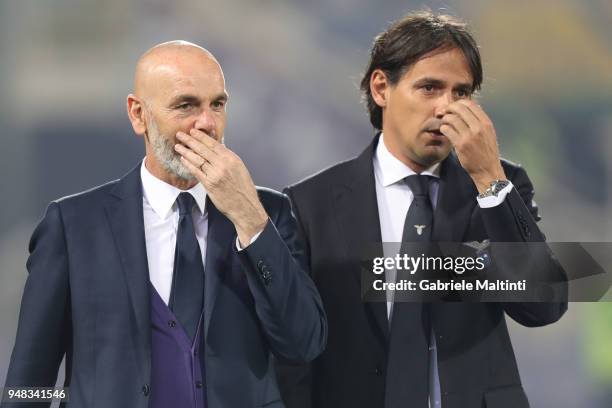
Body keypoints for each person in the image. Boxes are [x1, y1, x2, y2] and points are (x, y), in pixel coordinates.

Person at [2, 41, 327, 408]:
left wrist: (250, 219)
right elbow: (27, 385)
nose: (207, 123)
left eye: (217, 104)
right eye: (186, 105)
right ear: (139, 114)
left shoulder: (270, 214)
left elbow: (304, 345)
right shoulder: (73, 225)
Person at [278, 12, 567, 408]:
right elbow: (297, 348)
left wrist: (489, 180)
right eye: (429, 88)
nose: (447, 109)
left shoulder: (500, 185)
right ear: (381, 87)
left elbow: (544, 304)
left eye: (461, 93)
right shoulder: (309, 203)